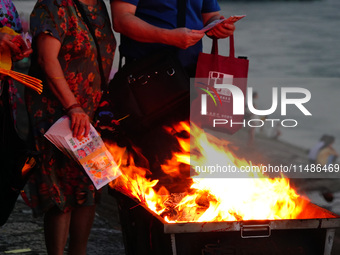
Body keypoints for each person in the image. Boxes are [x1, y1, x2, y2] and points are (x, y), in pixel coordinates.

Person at [110, 1, 235, 254]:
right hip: (149, 79)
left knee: (194, 167)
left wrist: (220, 26)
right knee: (159, 170)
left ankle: (188, 241)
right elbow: (122, 20)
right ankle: (156, 244)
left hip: (192, 77)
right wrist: (169, 37)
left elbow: (210, 15)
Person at [25, 0, 116, 253]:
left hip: (89, 114)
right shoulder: (54, 4)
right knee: (60, 193)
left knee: (88, 188)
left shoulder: (98, 5)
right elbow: (46, 59)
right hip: (58, 112)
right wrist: (73, 106)